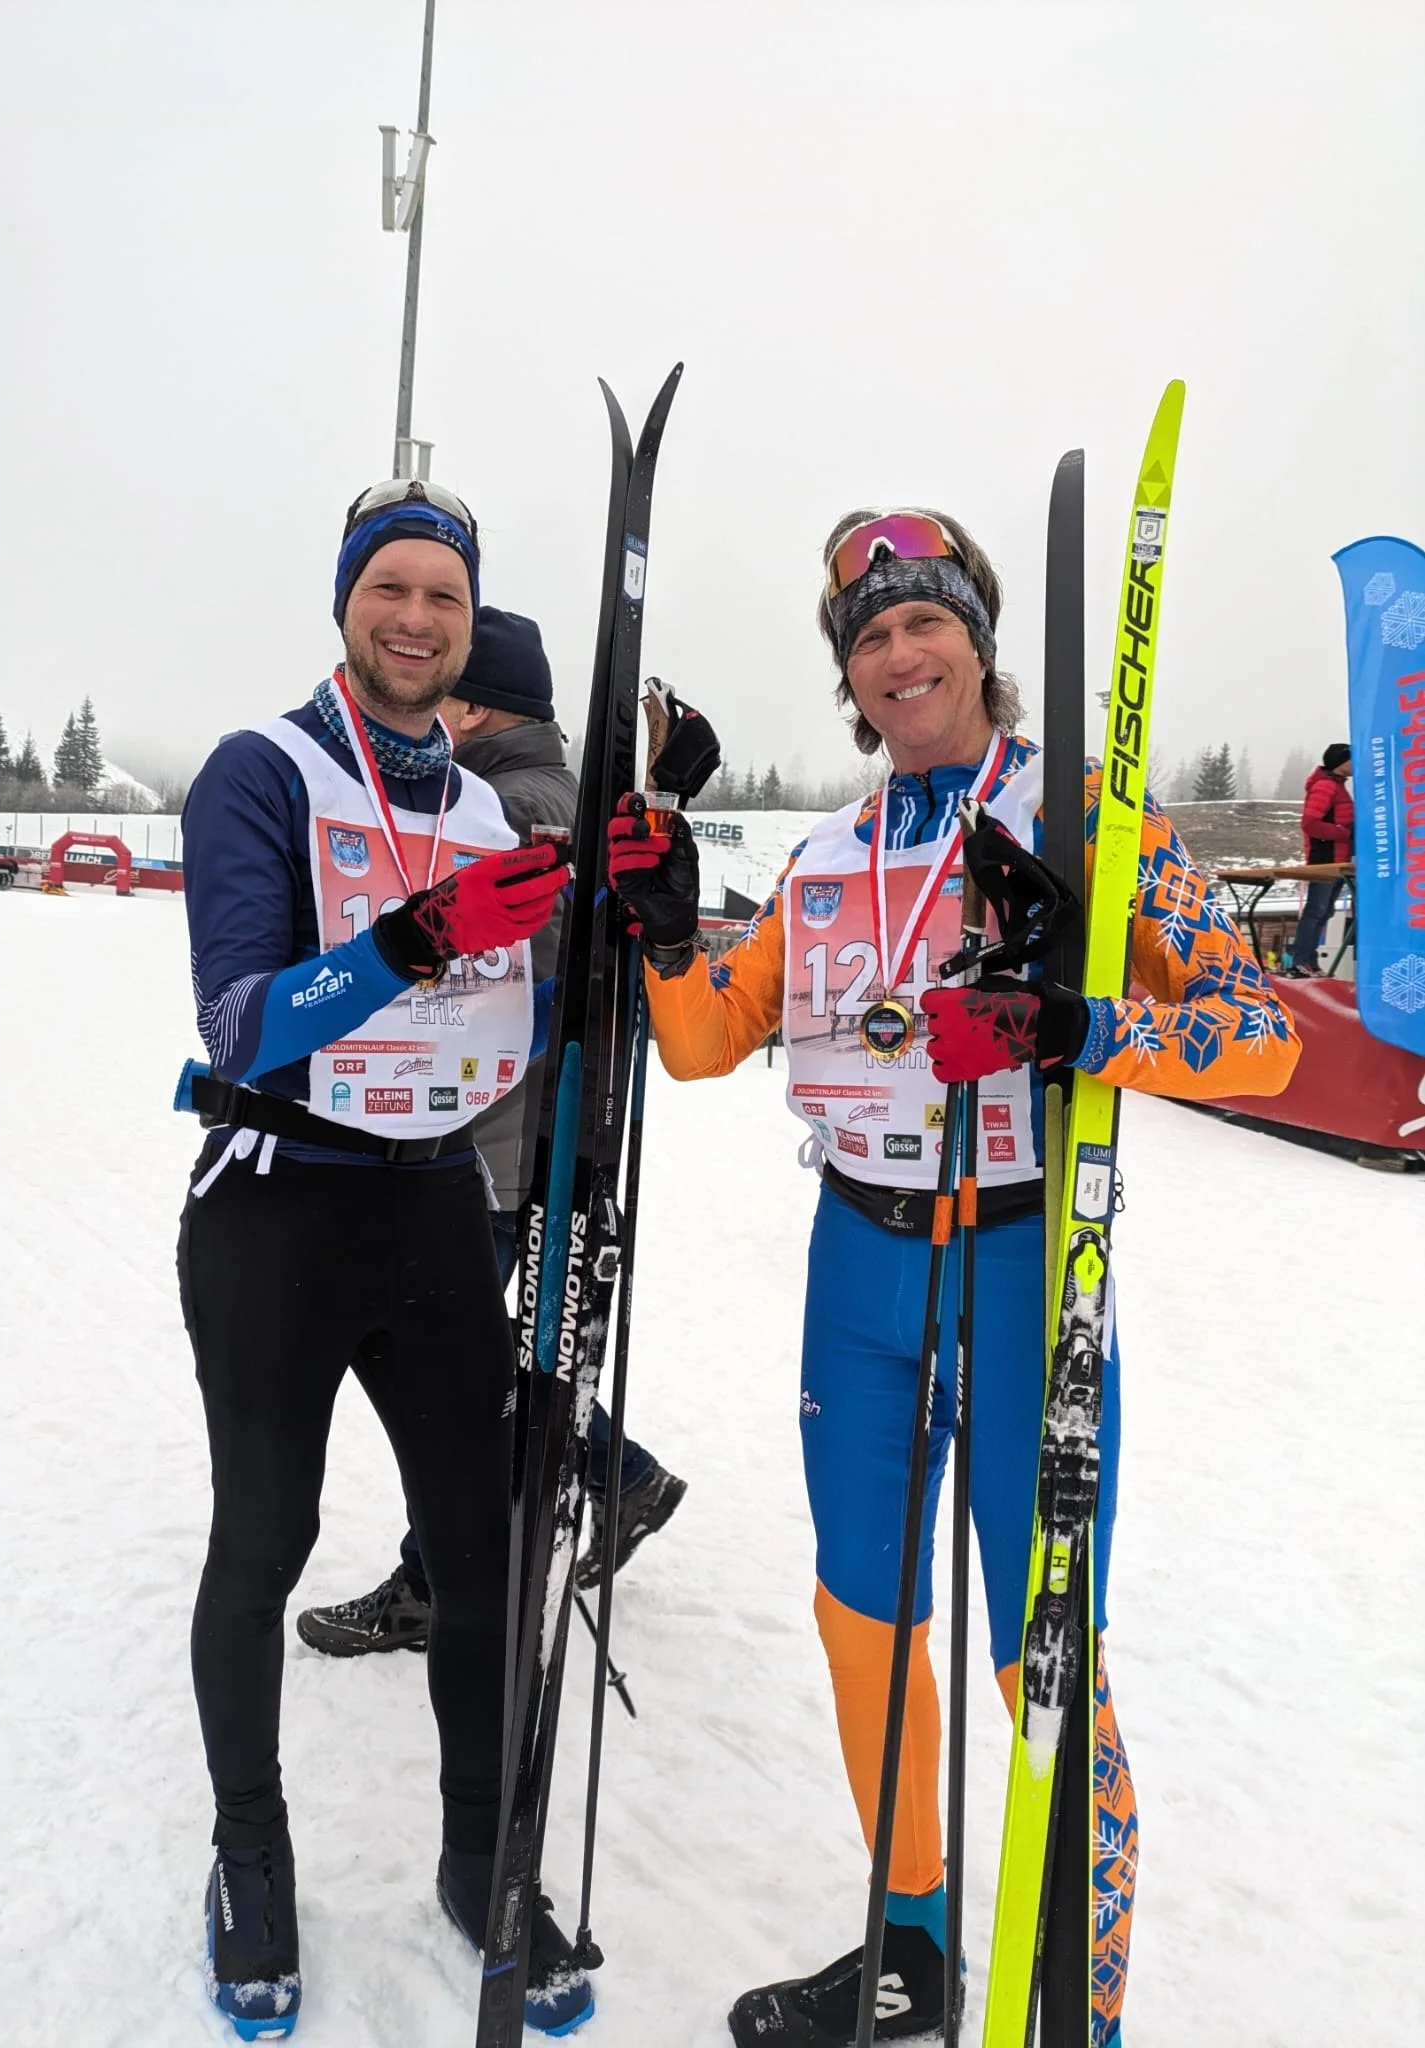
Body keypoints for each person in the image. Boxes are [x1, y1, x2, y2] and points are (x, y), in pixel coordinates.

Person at [607, 507, 1300, 2048]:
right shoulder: (827, 857)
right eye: (870, 636)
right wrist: (660, 934)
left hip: (1022, 1263)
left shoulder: (1091, 819)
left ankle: (1078, 2005)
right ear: (850, 680)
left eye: (925, 622)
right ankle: (908, 1943)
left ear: (979, 644)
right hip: (856, 1265)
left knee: (1037, 1648)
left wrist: (1076, 1026)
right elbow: (705, 1040)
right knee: (862, 1618)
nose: (899, 653)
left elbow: (1260, 1037)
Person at [177, 481, 593, 2040]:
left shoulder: (483, 808)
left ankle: (480, 1861)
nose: (417, 620)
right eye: (391, 589)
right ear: (346, 600)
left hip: (430, 1205)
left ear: (471, 625)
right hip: (276, 1203)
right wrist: (411, 940)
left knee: (480, 1552)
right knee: (263, 1537)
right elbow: (239, 1020)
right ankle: (250, 1858)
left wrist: (612, 911)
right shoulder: (262, 770)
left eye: (445, 598)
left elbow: (523, 1032)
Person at [294, 607, 687, 1661]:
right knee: (485, 1353)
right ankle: (616, 1474)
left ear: (474, 707)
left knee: (444, 1371)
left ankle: (440, 1577)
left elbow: (466, 989)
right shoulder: (562, 795)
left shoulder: (497, 809)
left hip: (486, 1141)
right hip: (534, 1135)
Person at [1288, 741, 1353, 975]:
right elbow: (1310, 823)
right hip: (1325, 859)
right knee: (1316, 910)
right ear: (1340, 762)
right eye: (1351, 759)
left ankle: (1310, 961)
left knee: (1324, 912)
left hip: (1338, 860)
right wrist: (1345, 833)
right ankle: (1300, 961)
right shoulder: (1325, 786)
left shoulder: (1338, 786)